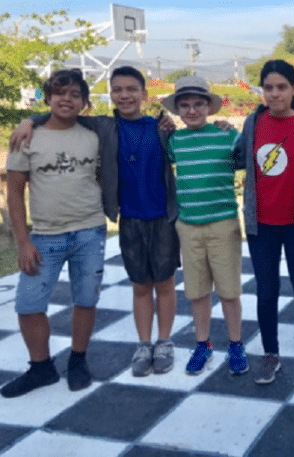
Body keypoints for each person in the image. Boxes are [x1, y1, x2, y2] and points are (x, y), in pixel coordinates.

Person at [10, 66, 180, 377]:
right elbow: (59, 113)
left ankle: (164, 341)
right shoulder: (103, 126)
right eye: (118, 90)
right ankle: (144, 344)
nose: (125, 95)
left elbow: (189, 142)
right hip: (129, 219)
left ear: (144, 94)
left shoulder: (161, 127)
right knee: (141, 286)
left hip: (163, 219)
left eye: (132, 89)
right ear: (110, 94)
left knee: (165, 283)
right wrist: (28, 119)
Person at [1, 69, 106, 397]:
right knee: (28, 304)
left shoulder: (93, 135)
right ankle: (41, 367)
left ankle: (78, 360)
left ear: (84, 101)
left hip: (89, 231)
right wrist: (23, 241)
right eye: (60, 93)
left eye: (75, 94)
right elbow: (14, 192)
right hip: (45, 236)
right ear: (47, 98)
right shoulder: (26, 137)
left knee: (85, 299)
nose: (67, 99)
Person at [234, 60, 294, 385]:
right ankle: (270, 354)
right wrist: (222, 132)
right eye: (268, 88)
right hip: (261, 225)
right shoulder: (253, 123)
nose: (274, 94)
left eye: (281, 87)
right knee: (266, 293)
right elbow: (238, 158)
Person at [161, 76, 247, 377]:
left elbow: (248, 156)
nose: (192, 110)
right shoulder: (175, 141)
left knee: (229, 291)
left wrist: (230, 127)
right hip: (188, 225)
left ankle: (236, 344)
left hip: (223, 223)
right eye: (184, 105)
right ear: (177, 110)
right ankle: (203, 344)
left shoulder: (228, 136)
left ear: (209, 106)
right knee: (197, 292)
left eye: (198, 104)